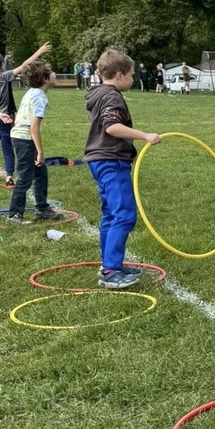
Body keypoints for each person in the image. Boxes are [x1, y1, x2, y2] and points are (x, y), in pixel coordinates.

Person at [83, 49, 161, 289]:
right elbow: (112, 128)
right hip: (110, 161)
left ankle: (108, 264)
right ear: (119, 75)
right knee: (124, 214)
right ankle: (111, 271)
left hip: (100, 160)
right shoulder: (112, 97)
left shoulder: (97, 94)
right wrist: (144, 136)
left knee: (110, 213)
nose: (133, 78)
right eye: (131, 74)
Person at [0, 41, 52, 189]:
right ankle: (9, 178)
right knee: (7, 148)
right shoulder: (2, 77)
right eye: (2, 62)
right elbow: (24, 66)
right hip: (5, 118)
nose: (5, 64)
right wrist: (39, 52)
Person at [6, 60, 65, 226]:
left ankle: (42, 209)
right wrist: (40, 152)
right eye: (52, 72)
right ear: (45, 79)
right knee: (25, 177)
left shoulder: (33, 92)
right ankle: (14, 214)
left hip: (21, 137)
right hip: (24, 139)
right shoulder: (40, 98)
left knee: (40, 173)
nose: (55, 74)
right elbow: (34, 127)